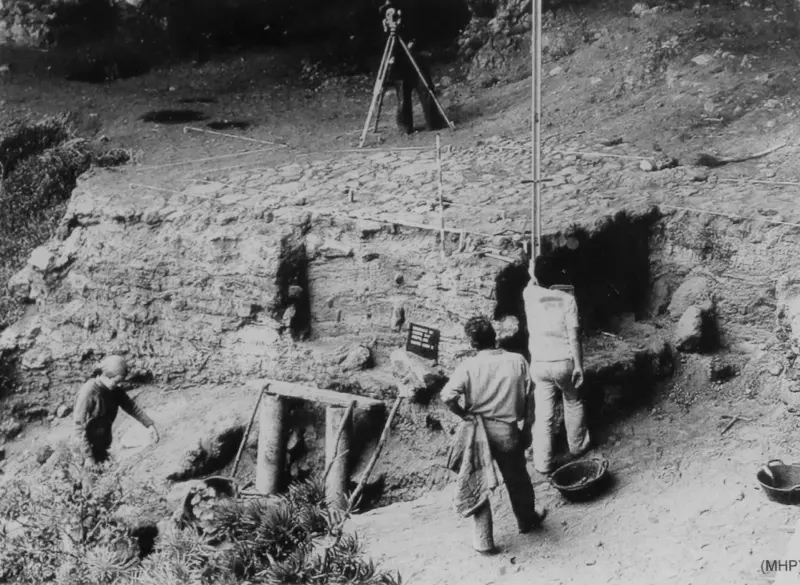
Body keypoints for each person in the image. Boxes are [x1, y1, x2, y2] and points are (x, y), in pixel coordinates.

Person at [441, 316, 546, 551]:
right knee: (517, 479)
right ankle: (527, 520)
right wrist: (527, 427)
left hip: (477, 434)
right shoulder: (517, 361)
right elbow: (531, 398)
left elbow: (447, 397)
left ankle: (484, 540)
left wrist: (463, 414)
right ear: (494, 336)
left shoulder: (468, 366)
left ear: (472, 343)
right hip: (507, 432)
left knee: (476, 481)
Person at [523, 257, 591, 475]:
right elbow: (574, 337)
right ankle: (578, 446)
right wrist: (578, 366)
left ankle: (542, 462)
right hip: (563, 362)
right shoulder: (568, 299)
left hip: (539, 364)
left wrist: (533, 270)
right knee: (572, 400)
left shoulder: (529, 295)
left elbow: (532, 279)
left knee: (543, 414)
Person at [73, 355, 159, 469]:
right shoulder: (88, 392)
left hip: (101, 440)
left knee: (104, 470)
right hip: (84, 444)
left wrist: (149, 425)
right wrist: (88, 456)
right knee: (89, 475)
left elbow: (131, 407)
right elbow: (79, 427)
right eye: (116, 381)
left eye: (121, 381)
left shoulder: (114, 390)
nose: (119, 385)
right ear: (106, 376)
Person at [379, 0, 447, 134]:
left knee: (425, 90)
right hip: (400, 64)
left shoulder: (412, 16)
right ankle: (405, 127)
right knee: (403, 96)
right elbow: (385, 46)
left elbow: (422, 33)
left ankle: (434, 122)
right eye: (388, 13)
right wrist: (387, 30)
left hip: (416, 59)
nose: (392, 15)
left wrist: (412, 42)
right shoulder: (386, 26)